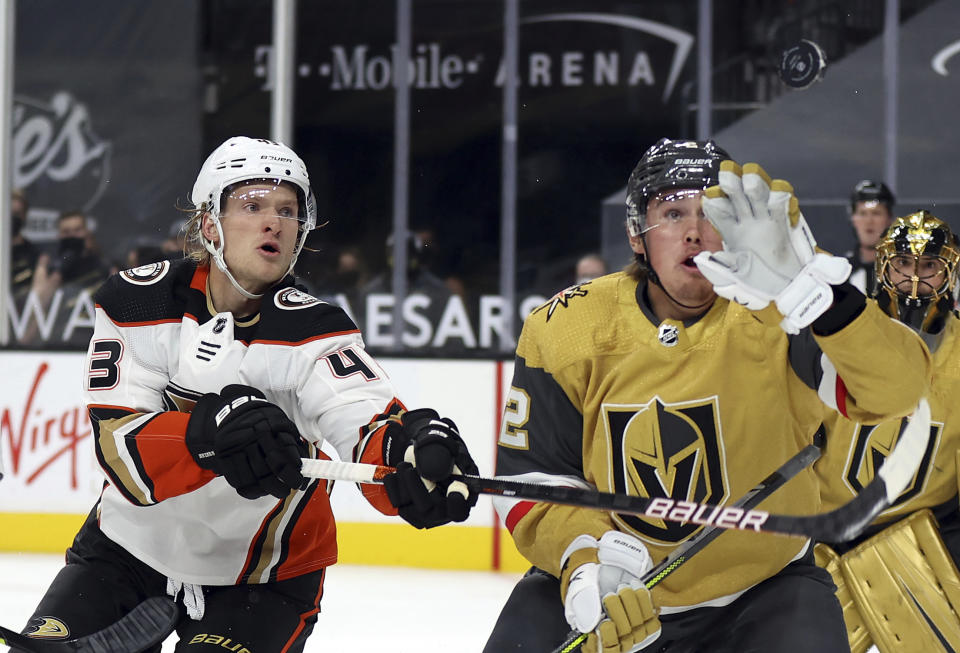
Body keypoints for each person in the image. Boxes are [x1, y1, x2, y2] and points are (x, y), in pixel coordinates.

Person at [12, 136, 479, 652]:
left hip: (266, 575)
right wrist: (206, 434)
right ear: (210, 224)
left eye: (287, 210)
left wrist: (408, 458)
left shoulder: (316, 332)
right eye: (252, 205)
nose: (274, 221)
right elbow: (122, 455)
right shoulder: (138, 301)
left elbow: (368, 426)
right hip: (126, 553)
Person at [482, 138, 931, 653]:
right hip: (611, 591)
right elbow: (534, 476)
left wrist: (819, 300)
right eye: (673, 212)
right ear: (636, 234)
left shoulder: (783, 310)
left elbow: (898, 390)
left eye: (712, 213)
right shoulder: (566, 327)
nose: (694, 232)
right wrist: (585, 557)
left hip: (764, 590)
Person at [815, 210, 960, 652]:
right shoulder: (838, 336)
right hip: (825, 532)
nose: (914, 280)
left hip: (931, 533)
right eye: (903, 265)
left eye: (929, 267)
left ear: (949, 270)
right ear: (883, 267)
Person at [845, 179, 895, 295]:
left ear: (889, 219)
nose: (869, 221)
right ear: (853, 219)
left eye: (876, 213)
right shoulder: (840, 273)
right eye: (862, 213)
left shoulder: (903, 272)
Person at [10, 188, 39, 300]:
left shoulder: (34, 254)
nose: (12, 218)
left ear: (25, 216)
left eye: (17, 214)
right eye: (8, 213)